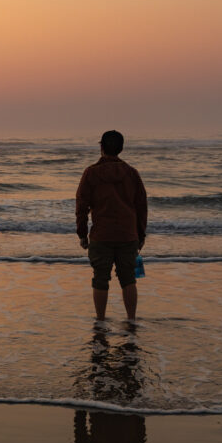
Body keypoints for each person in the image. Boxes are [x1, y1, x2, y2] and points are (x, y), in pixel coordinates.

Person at [75, 130, 148, 321]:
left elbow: (81, 206)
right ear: (121, 149)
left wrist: (82, 234)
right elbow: (141, 207)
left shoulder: (91, 173)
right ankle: (131, 320)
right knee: (128, 279)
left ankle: (100, 320)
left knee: (100, 279)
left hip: (101, 235)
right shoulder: (132, 174)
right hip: (127, 235)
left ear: (101, 147)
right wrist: (141, 235)